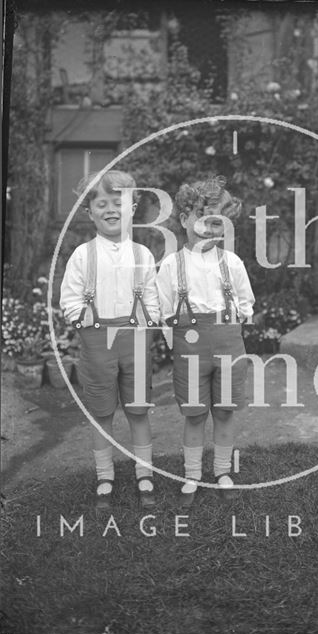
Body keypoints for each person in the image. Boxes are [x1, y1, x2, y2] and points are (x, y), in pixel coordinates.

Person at [60, 170, 160, 510]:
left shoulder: (143, 255)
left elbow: (152, 297)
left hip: (135, 340)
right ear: (90, 212)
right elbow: (70, 298)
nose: (110, 209)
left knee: (138, 410)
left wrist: (150, 320)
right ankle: (105, 475)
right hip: (96, 341)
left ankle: (144, 472)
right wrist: (79, 316)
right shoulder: (82, 255)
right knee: (101, 412)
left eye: (118, 202)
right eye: (101, 204)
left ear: (132, 207)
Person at [156, 176, 255, 506]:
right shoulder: (172, 265)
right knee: (195, 414)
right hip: (189, 348)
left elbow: (245, 301)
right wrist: (175, 342)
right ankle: (192, 473)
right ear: (184, 219)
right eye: (202, 219)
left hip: (228, 345)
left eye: (217, 222)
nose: (209, 229)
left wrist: (237, 321)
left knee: (225, 411)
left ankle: (223, 470)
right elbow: (164, 309)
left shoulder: (232, 263)